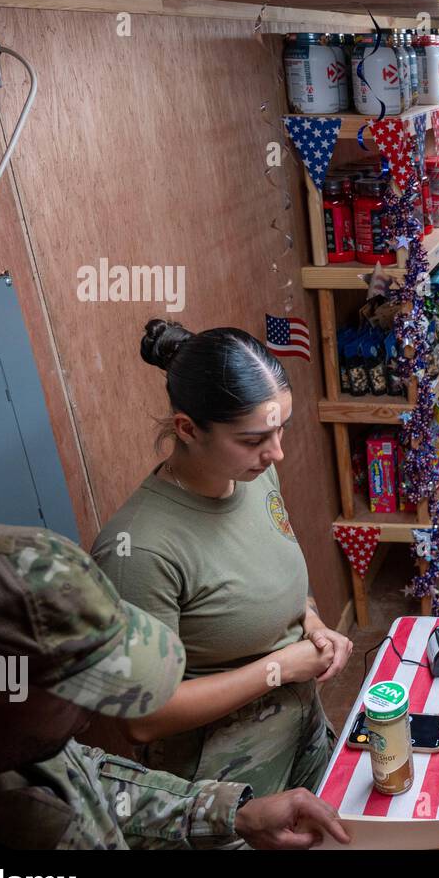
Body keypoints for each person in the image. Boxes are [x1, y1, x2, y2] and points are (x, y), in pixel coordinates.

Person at [0, 523, 349, 849]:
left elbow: (87, 777)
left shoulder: (2, 741)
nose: (92, 716)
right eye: (81, 692)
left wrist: (235, 815)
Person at [89, 320, 352, 796]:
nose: (277, 453)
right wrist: (281, 668)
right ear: (188, 429)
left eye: (280, 431)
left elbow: (275, 579)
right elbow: (142, 719)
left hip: (297, 731)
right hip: (221, 785)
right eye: (253, 440)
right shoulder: (140, 549)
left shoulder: (252, 477)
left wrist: (311, 624)